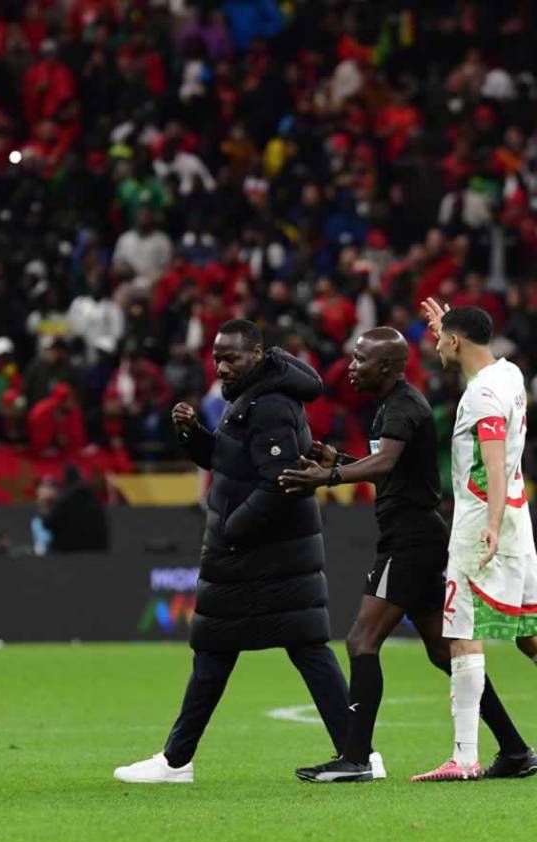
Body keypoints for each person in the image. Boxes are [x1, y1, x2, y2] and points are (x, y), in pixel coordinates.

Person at [282, 328, 535, 782]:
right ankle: (515, 750)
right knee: (445, 652)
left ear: (385, 367)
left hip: (410, 541)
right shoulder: (395, 406)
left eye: (360, 360)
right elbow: (389, 467)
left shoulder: (400, 407)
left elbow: (382, 466)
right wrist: (340, 458)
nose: (352, 367)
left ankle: (355, 759)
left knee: (362, 640)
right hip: (418, 536)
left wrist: (328, 476)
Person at [114, 319, 359, 784]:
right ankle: (357, 752)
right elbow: (232, 462)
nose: (223, 367)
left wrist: (232, 529)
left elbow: (280, 478)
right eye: (218, 358)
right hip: (271, 552)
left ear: (259, 355)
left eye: (232, 358)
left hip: (259, 552)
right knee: (268, 648)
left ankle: (175, 762)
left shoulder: (268, 405)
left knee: (230, 649)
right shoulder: (254, 397)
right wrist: (192, 435)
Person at [411, 303, 537, 782]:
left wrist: (490, 521)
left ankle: (463, 757)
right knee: (528, 632)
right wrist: (449, 322)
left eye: (441, 337)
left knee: (462, 633)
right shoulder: (509, 374)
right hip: (518, 522)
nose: (435, 343)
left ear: (456, 342)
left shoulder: (482, 396)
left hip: (484, 521)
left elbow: (494, 459)